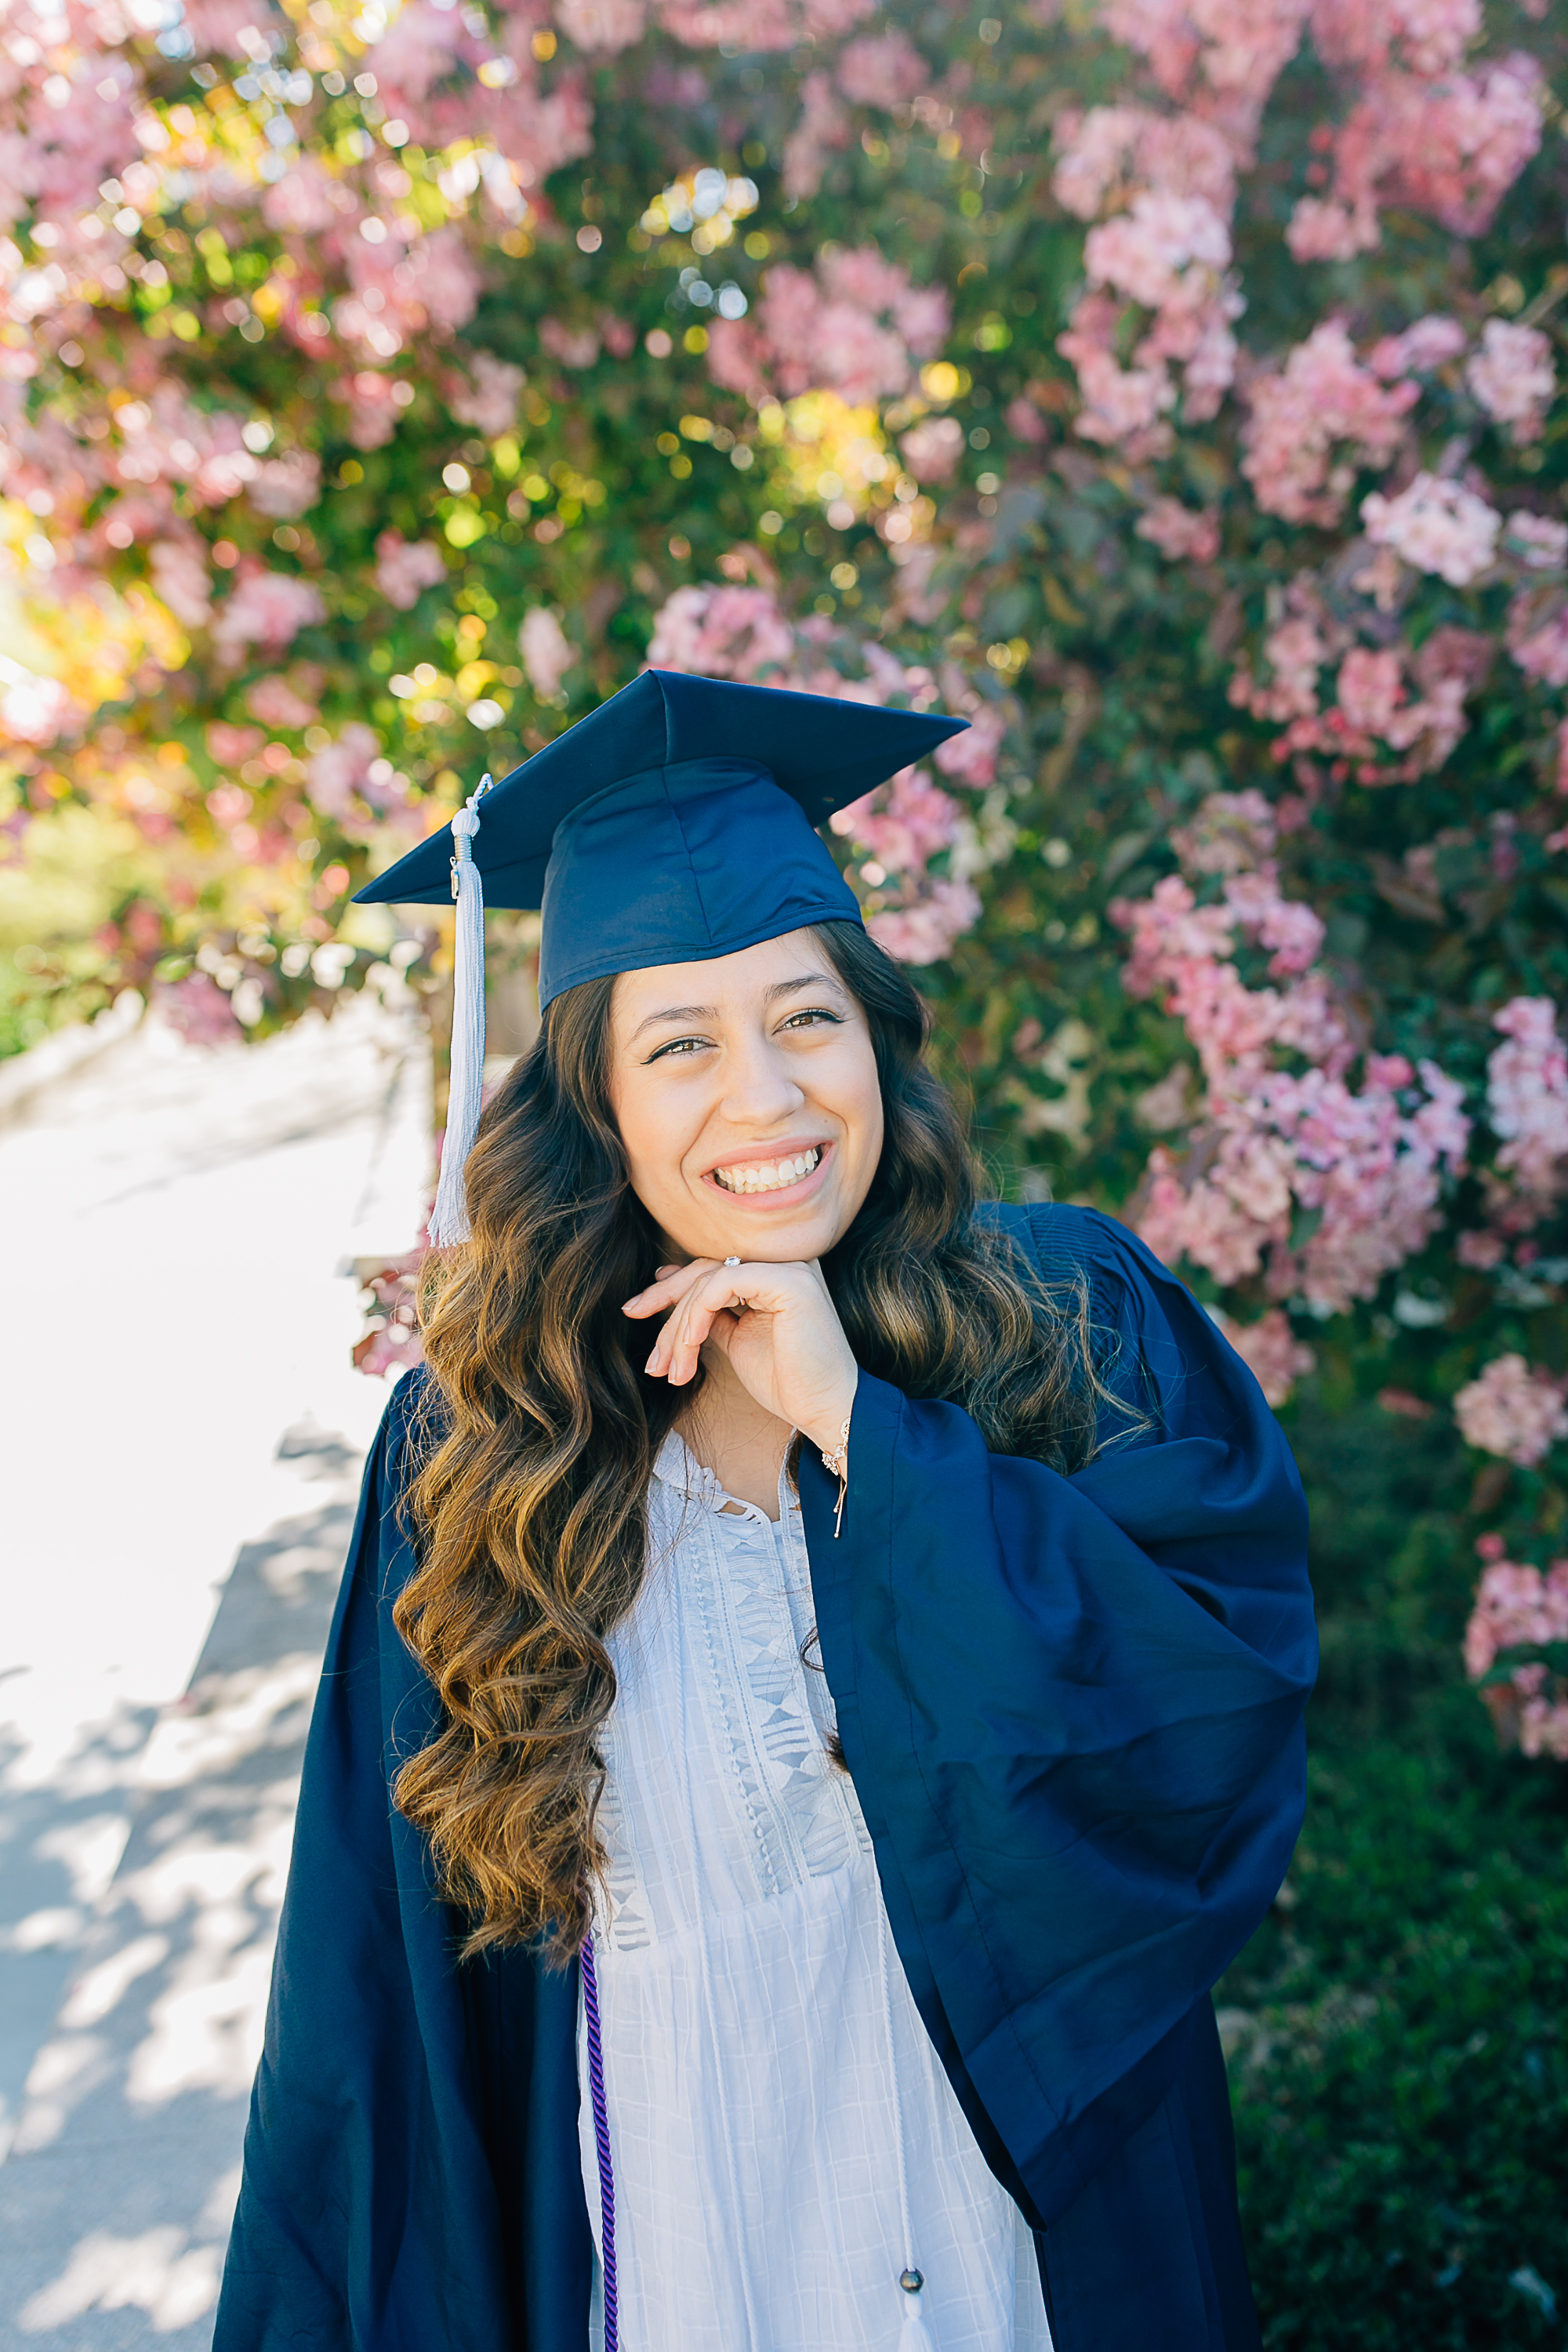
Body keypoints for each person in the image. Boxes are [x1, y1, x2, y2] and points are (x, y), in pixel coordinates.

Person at [215, 669, 1316, 2352]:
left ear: (873, 1026)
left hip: (1021, 2250)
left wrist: (865, 1429)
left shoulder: (1067, 1320)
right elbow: (371, 1996)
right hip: (683, 2251)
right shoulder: (473, 1447)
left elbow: (1204, 1749)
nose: (769, 1097)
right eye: (679, 1044)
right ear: (593, 1103)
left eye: (806, 1015)